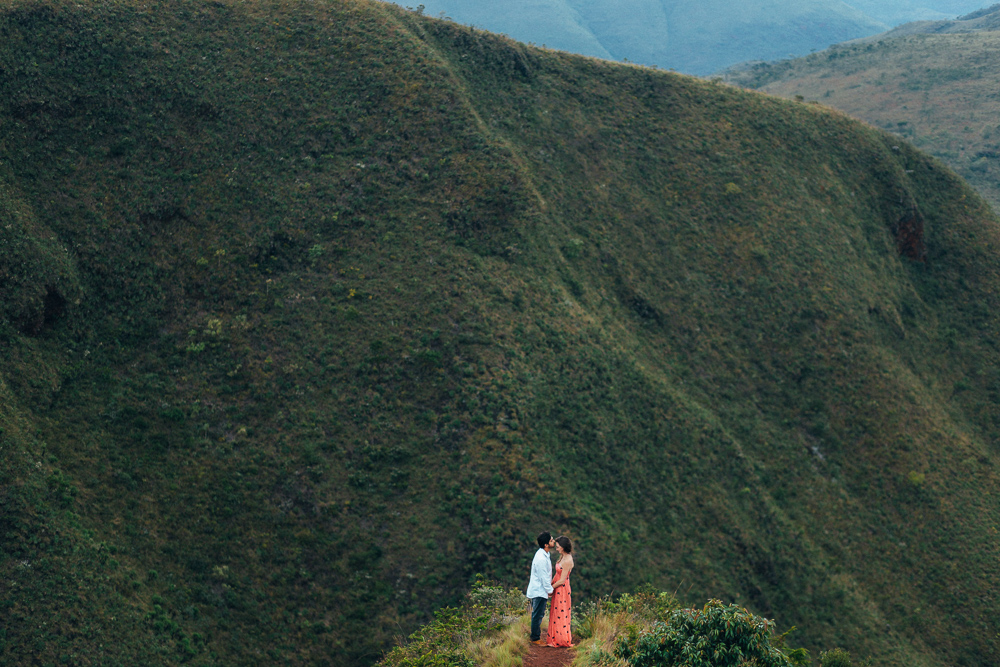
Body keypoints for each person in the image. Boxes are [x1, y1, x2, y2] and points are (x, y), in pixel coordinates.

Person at [526, 531, 554, 645]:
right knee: (537, 615)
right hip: (539, 590)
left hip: (541, 590)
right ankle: (535, 638)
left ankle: (535, 636)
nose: (554, 541)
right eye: (551, 540)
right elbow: (544, 577)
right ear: (546, 544)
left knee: (539, 614)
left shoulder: (545, 554)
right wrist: (550, 590)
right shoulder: (541, 558)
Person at [546, 536, 574, 648]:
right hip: (557, 587)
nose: (556, 548)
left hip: (562, 589)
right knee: (555, 611)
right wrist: (551, 585)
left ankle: (561, 639)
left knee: (561, 612)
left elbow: (562, 580)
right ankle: (555, 637)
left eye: (558, 547)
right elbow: (557, 575)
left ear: (563, 547)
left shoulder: (568, 560)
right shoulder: (563, 556)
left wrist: (551, 588)